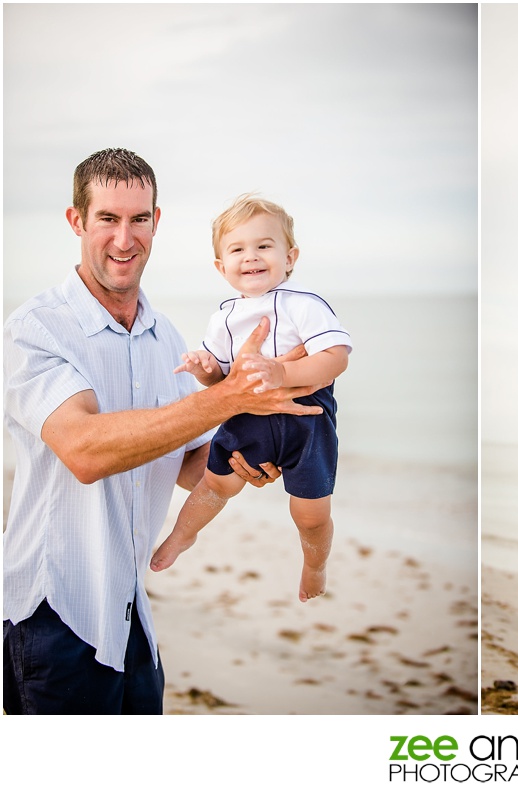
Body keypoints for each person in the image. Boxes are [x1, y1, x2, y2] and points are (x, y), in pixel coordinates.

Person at [3, 148, 322, 714]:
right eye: (107, 218)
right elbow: (84, 451)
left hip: (132, 616)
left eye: (139, 219)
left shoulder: (165, 336)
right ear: (77, 221)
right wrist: (228, 396)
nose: (125, 238)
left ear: (157, 222)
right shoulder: (37, 328)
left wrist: (253, 450)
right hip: (53, 614)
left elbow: (188, 462)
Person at [150, 195, 351, 602]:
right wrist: (204, 367)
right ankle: (182, 536)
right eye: (237, 249)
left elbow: (336, 358)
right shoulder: (224, 318)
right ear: (221, 267)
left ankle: (314, 566)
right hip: (247, 419)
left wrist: (283, 373)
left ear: (289, 258)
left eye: (264, 245)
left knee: (310, 515)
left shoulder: (304, 305)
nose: (251, 257)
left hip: (305, 422)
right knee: (214, 484)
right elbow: (220, 381)